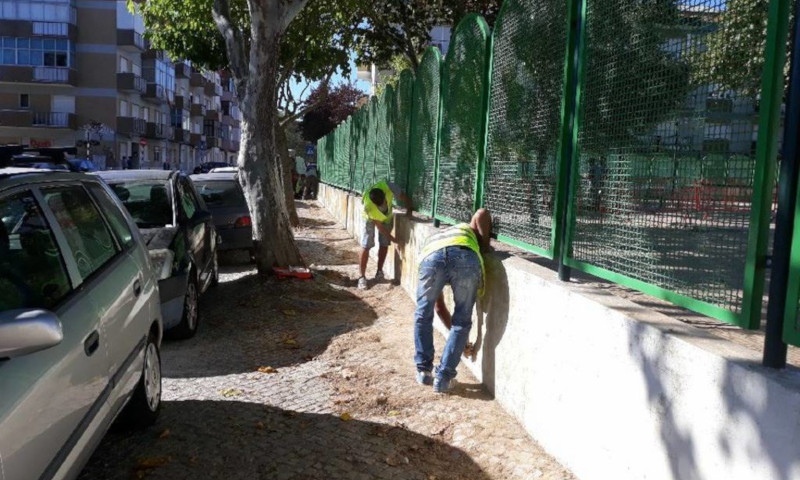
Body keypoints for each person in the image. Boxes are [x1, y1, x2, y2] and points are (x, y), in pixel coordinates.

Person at [414, 209, 492, 393]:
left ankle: (424, 371)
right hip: (465, 256)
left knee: (423, 314)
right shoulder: (467, 231)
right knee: (462, 320)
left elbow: (439, 308)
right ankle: (443, 379)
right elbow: (481, 213)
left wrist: (460, 341)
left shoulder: (440, 236)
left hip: (431, 258)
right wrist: (486, 244)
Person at [358, 180, 412, 290]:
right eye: (379, 205)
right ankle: (362, 277)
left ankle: (379, 271)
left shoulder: (388, 186)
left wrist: (409, 209)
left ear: (384, 194)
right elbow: (380, 228)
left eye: (383, 203)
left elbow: (402, 196)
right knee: (366, 244)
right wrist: (394, 239)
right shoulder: (369, 206)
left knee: (384, 244)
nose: (383, 205)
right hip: (369, 219)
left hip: (387, 217)